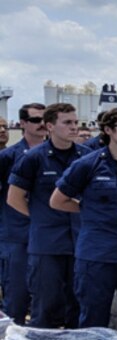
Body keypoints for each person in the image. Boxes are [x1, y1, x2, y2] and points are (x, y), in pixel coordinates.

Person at [50, 107, 117, 335]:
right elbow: (58, 200)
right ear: (107, 130)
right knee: (93, 317)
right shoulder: (88, 164)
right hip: (98, 253)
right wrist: (89, 210)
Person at [7, 102, 87, 329]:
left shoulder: (87, 157)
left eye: (75, 122)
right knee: (46, 306)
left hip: (81, 242)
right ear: (50, 126)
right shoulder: (33, 158)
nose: (74, 127)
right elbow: (14, 198)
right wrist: (40, 218)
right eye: (67, 123)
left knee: (79, 306)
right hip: (47, 245)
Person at [0, 103, 46, 325]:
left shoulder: (58, 155)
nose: (42, 125)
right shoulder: (9, 157)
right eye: (36, 120)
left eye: (45, 120)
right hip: (17, 235)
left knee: (48, 297)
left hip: (50, 236)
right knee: (16, 297)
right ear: (23, 124)